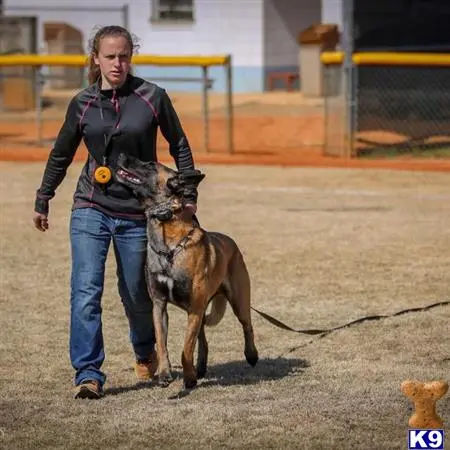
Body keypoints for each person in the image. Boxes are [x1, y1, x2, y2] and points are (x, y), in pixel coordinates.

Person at [32, 25, 198, 399]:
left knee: (137, 293)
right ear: (96, 58)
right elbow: (61, 153)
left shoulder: (153, 96)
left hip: (139, 213)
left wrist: (188, 195)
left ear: (131, 57)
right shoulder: (83, 103)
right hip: (91, 205)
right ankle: (88, 374)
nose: (118, 63)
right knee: (85, 290)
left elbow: (179, 144)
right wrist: (44, 196)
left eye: (124, 56)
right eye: (110, 57)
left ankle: (144, 350)